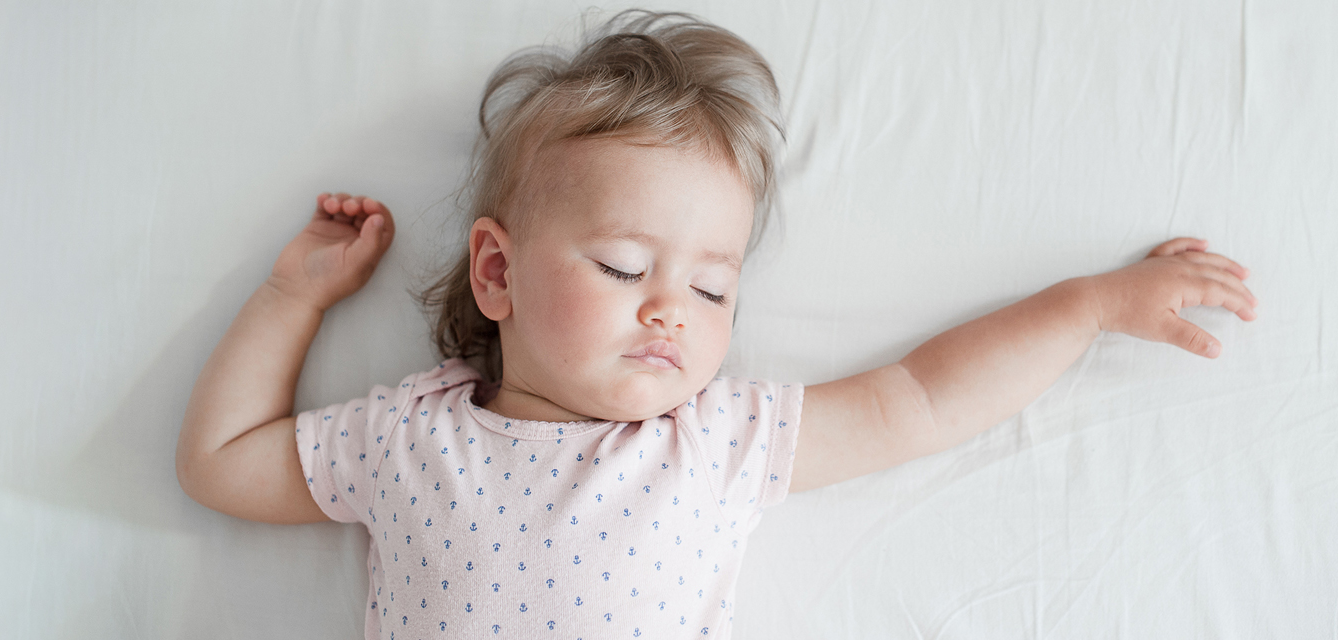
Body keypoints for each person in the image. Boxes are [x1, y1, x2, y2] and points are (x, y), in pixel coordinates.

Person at [175, 10, 1257, 639]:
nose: (669, 309)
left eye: (711, 289)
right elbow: (221, 462)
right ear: (496, 272)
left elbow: (921, 399)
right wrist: (293, 298)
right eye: (623, 266)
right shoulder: (409, 439)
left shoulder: (712, 440)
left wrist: (1087, 307)